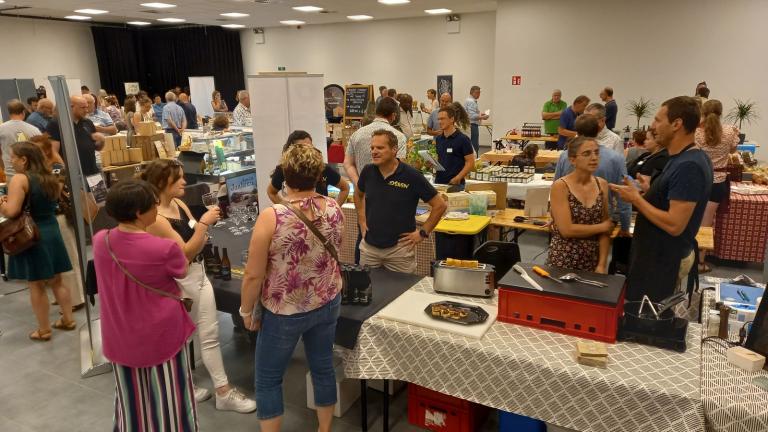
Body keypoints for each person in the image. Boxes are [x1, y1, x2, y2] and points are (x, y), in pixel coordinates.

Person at [240, 144, 344, 432]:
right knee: (323, 367)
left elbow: (253, 274)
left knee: (269, 378)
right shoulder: (334, 207)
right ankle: (324, 429)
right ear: (319, 175)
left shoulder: (272, 216)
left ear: (285, 176)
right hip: (327, 300)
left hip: (284, 309)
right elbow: (335, 251)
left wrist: (246, 310)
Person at [141, 160, 257, 412]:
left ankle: (221, 390)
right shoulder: (156, 218)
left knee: (208, 334)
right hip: (179, 282)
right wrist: (204, 224)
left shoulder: (179, 204)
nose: (185, 182)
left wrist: (203, 228)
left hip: (199, 274)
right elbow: (184, 252)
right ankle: (184, 385)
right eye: (179, 178)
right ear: (163, 182)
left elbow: (197, 235)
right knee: (182, 337)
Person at [93, 180, 198, 431]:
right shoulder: (164, 248)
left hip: (120, 334)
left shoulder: (101, 241)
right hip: (160, 335)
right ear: (139, 212)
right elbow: (182, 270)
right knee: (170, 398)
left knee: (131, 401)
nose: (157, 209)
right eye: (153, 205)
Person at [611, 96, 713, 302]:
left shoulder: (689, 166)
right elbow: (671, 199)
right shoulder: (680, 158)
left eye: (658, 120)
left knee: (648, 320)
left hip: (663, 261)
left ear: (677, 124)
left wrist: (636, 200)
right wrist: (650, 191)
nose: (652, 126)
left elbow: (675, 224)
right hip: (654, 257)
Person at [0, 142, 74, 341]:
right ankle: (68, 319)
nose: (11, 160)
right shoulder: (51, 177)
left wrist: (2, 204)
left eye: (13, 156)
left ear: (24, 159)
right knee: (58, 279)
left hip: (31, 234)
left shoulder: (20, 179)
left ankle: (44, 330)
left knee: (36, 284)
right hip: (51, 230)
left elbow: (13, 211)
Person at [354, 129, 447, 273]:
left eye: (380, 147)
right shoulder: (368, 171)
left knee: (402, 292)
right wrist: (361, 220)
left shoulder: (411, 175)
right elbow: (358, 194)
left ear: (394, 150)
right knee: (368, 291)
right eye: (372, 148)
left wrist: (423, 233)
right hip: (369, 249)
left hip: (400, 250)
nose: (374, 151)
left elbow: (440, 205)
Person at [30, 135, 86, 312]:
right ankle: (64, 295)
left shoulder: (57, 168)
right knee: (58, 261)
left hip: (60, 217)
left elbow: (54, 193)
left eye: (36, 149)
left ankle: (76, 298)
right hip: (48, 219)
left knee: (69, 258)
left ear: (46, 150)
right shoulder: (40, 170)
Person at [555, 113, 632, 235]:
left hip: (570, 218)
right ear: (598, 130)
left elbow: (555, 188)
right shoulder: (616, 158)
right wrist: (625, 226)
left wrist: (554, 216)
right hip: (600, 220)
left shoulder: (565, 156)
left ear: (577, 130)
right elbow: (623, 195)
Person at [548, 136, 612, 273]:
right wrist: (601, 227)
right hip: (564, 258)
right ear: (572, 159)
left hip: (592, 259)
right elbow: (566, 230)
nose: (594, 157)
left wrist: (602, 264)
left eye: (596, 152)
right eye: (587, 154)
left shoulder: (602, 185)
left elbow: (605, 232)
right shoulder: (561, 186)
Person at [695, 99, 739, 273]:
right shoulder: (730, 131)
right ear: (721, 113)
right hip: (718, 182)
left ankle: (684, 256)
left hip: (698, 179)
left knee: (690, 219)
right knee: (706, 223)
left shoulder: (697, 133)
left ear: (703, 113)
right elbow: (733, 151)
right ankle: (700, 262)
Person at [268, 130, 349, 206]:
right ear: (291, 151)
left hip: (320, 217)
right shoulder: (285, 169)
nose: (306, 152)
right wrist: (287, 210)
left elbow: (345, 187)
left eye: (310, 148)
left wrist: (333, 210)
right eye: (301, 148)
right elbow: (271, 192)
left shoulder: (322, 168)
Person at [343, 97, 406, 188]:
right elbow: (400, 167)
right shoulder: (399, 136)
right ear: (393, 115)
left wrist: (358, 185)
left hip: (363, 194)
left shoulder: (357, 134)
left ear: (376, 112)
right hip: (388, 192)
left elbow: (348, 163)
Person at [47, 95, 104, 177]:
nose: (86, 110)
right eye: (83, 108)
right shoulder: (56, 124)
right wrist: (63, 172)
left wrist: (101, 141)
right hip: (73, 176)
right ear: (71, 107)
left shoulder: (88, 123)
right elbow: (53, 152)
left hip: (92, 172)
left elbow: (98, 148)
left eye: (87, 107)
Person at [434, 105, 475, 187]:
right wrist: (432, 164)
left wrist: (458, 177)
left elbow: (470, 162)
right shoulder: (438, 139)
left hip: (456, 184)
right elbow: (440, 159)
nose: (440, 122)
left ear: (452, 119)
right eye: (438, 119)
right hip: (439, 183)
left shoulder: (463, 139)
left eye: (442, 119)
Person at [1, 100, 41, 179]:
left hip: (11, 174)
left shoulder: (1, 129)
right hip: (32, 176)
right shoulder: (35, 130)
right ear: (23, 112)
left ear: (10, 112)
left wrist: (4, 167)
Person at [464, 85, 489, 156]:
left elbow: (472, 113)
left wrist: (480, 114)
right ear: (472, 92)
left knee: (473, 144)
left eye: (479, 93)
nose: (479, 95)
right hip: (472, 125)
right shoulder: (471, 101)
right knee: (474, 145)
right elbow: (472, 116)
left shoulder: (469, 100)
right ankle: (475, 161)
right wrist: (483, 117)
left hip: (471, 125)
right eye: (477, 93)